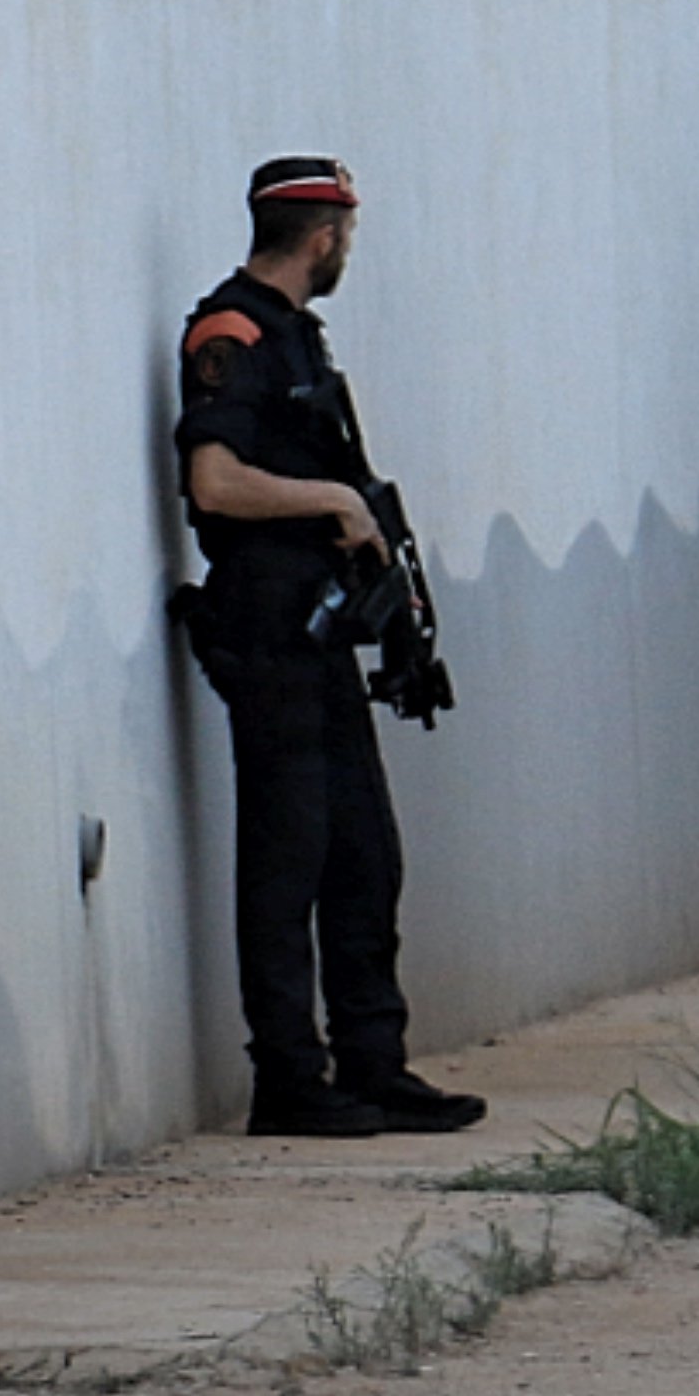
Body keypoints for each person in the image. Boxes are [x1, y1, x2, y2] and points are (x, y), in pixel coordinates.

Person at [175, 156, 485, 1139]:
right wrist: (337, 503)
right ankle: (289, 1080)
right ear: (325, 237)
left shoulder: (297, 339)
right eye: (345, 234)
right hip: (268, 631)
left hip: (319, 633)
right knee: (287, 861)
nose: (346, 249)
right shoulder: (231, 332)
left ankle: (373, 1063)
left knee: (363, 857)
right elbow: (215, 483)